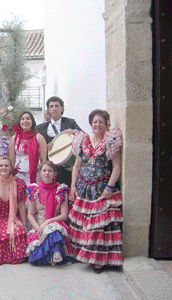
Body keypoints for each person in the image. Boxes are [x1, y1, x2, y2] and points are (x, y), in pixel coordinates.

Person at [69, 109, 123, 274]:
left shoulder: (110, 141)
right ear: (90, 124)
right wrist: (73, 185)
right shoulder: (83, 140)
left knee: (99, 225)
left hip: (102, 189)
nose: (97, 125)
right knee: (85, 223)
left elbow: (117, 166)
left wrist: (109, 187)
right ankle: (84, 255)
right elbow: (77, 166)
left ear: (107, 123)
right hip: (85, 188)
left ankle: (99, 260)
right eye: (95, 122)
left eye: (101, 122)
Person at [26, 161, 74, 266]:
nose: (46, 173)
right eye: (44, 171)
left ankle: (55, 256)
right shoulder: (34, 190)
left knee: (53, 230)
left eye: (50, 171)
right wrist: (38, 228)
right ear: (40, 173)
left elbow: (64, 215)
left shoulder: (61, 190)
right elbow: (30, 214)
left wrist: (48, 221)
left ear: (54, 174)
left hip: (55, 223)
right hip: (38, 226)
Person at [36, 96, 81, 186]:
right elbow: (35, 148)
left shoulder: (70, 123)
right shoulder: (41, 128)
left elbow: (84, 136)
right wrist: (45, 147)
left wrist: (75, 132)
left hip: (68, 170)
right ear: (48, 109)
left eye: (56, 106)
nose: (54, 109)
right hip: (49, 171)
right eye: (51, 106)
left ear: (62, 108)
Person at [9, 111, 47, 186]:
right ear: (19, 122)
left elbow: (44, 160)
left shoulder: (39, 138)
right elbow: (11, 160)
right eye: (22, 119)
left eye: (28, 119)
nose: (25, 121)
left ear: (32, 122)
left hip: (35, 175)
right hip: (18, 175)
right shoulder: (14, 138)